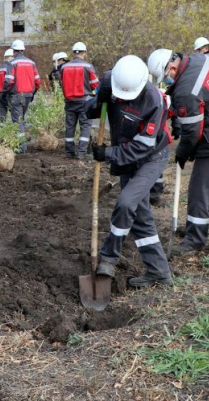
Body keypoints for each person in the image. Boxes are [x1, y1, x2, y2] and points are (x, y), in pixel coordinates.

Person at [148, 49, 209, 255]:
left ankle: (194, 239)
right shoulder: (201, 59)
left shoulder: (185, 90)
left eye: (166, 76)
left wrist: (183, 152)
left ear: (173, 67)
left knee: (199, 190)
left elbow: (193, 132)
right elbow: (199, 102)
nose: (167, 80)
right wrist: (179, 118)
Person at [87, 55, 173, 287]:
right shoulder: (110, 81)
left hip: (150, 158)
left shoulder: (153, 100)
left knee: (126, 203)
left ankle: (107, 257)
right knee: (140, 217)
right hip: (126, 158)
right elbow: (90, 111)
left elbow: (141, 147)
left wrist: (108, 154)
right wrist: (97, 101)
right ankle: (159, 273)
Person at [59, 42, 99, 159]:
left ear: (73, 53)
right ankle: (81, 153)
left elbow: (62, 84)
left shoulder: (64, 67)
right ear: (84, 53)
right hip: (84, 101)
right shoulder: (87, 67)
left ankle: (69, 152)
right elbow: (95, 85)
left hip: (69, 101)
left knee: (70, 126)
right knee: (85, 126)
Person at [5, 39, 40, 153]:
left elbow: (9, 81)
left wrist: (6, 92)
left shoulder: (12, 63)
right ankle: (22, 143)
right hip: (28, 95)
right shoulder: (32, 63)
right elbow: (37, 81)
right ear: (23, 50)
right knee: (21, 119)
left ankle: (21, 148)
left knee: (18, 121)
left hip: (16, 95)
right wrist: (32, 93)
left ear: (13, 51)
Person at [0, 49, 15, 122]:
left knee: (2, 110)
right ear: (9, 57)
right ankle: (16, 127)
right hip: (6, 92)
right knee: (14, 110)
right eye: (13, 57)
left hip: (0, 92)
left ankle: (1, 126)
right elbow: (8, 81)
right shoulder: (9, 66)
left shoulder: (1, 67)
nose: (13, 59)